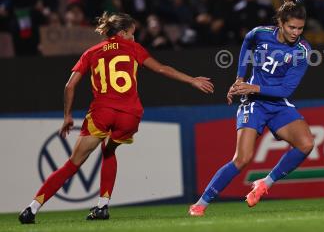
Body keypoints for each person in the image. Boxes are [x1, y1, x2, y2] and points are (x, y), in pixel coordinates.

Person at [18, 12, 214, 224]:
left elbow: (69, 85)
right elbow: (161, 69)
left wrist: (67, 116)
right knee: (109, 150)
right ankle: (102, 206)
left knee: (73, 164)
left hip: (102, 113)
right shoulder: (133, 49)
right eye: (132, 34)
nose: (134, 38)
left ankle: (32, 209)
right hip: (130, 115)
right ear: (122, 33)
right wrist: (191, 80)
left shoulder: (91, 52)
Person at [188, 0, 314, 217]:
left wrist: (251, 86)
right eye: (291, 27)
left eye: (300, 28)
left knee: (306, 144)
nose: (296, 33)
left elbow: (286, 90)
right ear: (280, 23)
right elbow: (247, 42)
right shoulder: (261, 34)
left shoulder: (302, 51)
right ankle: (200, 204)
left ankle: (265, 183)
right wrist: (239, 78)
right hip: (254, 104)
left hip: (277, 103)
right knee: (242, 158)